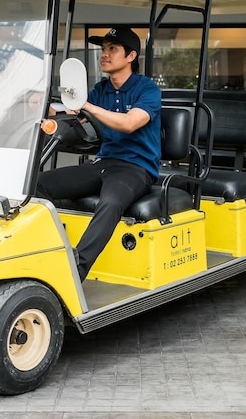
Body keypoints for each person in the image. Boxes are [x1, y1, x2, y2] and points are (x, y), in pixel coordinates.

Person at [36, 26, 162, 281]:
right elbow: (72, 113)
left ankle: (74, 272)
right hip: (101, 163)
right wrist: (41, 105)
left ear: (131, 56)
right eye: (103, 49)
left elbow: (129, 123)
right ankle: (50, 252)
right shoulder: (101, 90)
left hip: (135, 168)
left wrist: (88, 106)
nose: (104, 54)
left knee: (111, 202)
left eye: (112, 49)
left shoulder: (147, 89)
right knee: (35, 185)